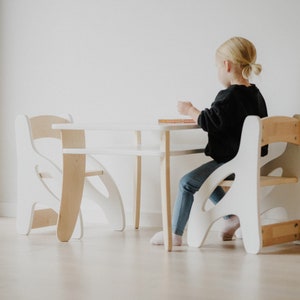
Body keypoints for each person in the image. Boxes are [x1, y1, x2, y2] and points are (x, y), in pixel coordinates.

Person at [150, 36, 268, 246]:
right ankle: (231, 218)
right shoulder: (255, 94)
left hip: (232, 162)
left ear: (227, 65)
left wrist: (190, 110)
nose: (217, 72)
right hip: (249, 161)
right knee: (207, 179)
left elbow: (209, 121)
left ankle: (174, 234)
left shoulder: (229, 95)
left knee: (187, 183)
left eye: (217, 67)